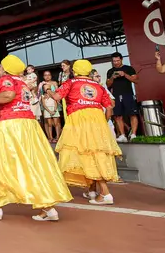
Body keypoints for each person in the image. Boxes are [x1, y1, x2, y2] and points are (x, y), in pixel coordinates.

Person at [0, 55, 72, 222]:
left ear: (5, 68)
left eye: (0, 66)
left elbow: (8, 96)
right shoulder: (23, 83)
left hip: (10, 124)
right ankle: (49, 209)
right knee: (31, 164)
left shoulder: (6, 78)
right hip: (28, 125)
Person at [48, 59, 121, 206]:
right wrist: (104, 122)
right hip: (97, 120)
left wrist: (48, 90)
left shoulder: (71, 82)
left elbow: (56, 97)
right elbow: (109, 108)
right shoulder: (98, 86)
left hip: (78, 120)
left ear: (75, 71)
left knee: (87, 154)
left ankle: (105, 193)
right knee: (93, 153)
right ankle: (92, 190)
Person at [106, 52, 139, 143]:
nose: (116, 63)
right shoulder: (110, 71)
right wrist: (113, 77)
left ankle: (134, 134)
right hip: (116, 95)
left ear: (121, 59)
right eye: (114, 61)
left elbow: (136, 80)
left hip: (128, 94)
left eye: (117, 60)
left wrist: (125, 75)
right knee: (117, 116)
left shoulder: (128, 68)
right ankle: (122, 135)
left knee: (132, 114)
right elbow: (108, 84)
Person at [38, 70, 62, 143]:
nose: (47, 76)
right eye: (45, 75)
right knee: (47, 122)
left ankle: (58, 136)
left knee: (56, 121)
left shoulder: (54, 83)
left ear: (51, 76)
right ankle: (49, 137)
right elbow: (39, 93)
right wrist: (44, 95)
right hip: (45, 103)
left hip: (54, 101)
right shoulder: (41, 84)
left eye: (48, 75)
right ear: (43, 76)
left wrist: (50, 94)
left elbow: (58, 91)